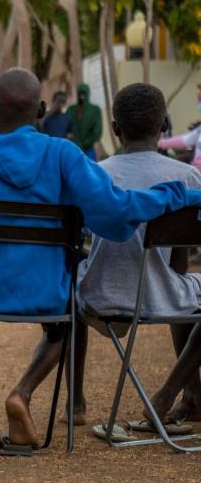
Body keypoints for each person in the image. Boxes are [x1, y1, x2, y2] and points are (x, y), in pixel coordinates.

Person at [0, 69, 201, 449]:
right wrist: (181, 195)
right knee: (68, 310)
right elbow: (116, 212)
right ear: (41, 110)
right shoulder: (62, 155)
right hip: (46, 295)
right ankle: (22, 393)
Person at [74, 84, 201, 435]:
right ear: (165, 126)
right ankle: (171, 393)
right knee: (189, 289)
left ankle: (75, 401)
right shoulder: (188, 177)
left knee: (67, 284)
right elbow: (178, 264)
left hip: (98, 299)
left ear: (115, 128)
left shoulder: (95, 174)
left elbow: (77, 238)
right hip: (166, 297)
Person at [66, 83, 103, 160]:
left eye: (84, 93)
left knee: (89, 169)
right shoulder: (71, 110)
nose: (82, 96)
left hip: (88, 149)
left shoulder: (95, 110)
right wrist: (75, 142)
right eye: (80, 93)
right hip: (73, 148)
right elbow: (66, 128)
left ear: (88, 94)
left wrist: (85, 143)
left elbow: (97, 131)